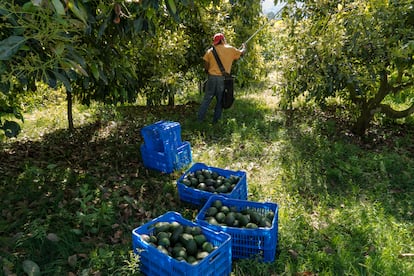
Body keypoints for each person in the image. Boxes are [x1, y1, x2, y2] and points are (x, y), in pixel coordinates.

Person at [198, 33, 246, 124]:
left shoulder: (210, 51)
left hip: (211, 78)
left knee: (207, 99)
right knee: (220, 100)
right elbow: (242, 53)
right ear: (223, 40)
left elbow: (206, 65)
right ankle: (216, 121)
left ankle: (199, 120)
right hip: (222, 79)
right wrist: (244, 47)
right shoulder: (230, 49)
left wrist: (208, 71)